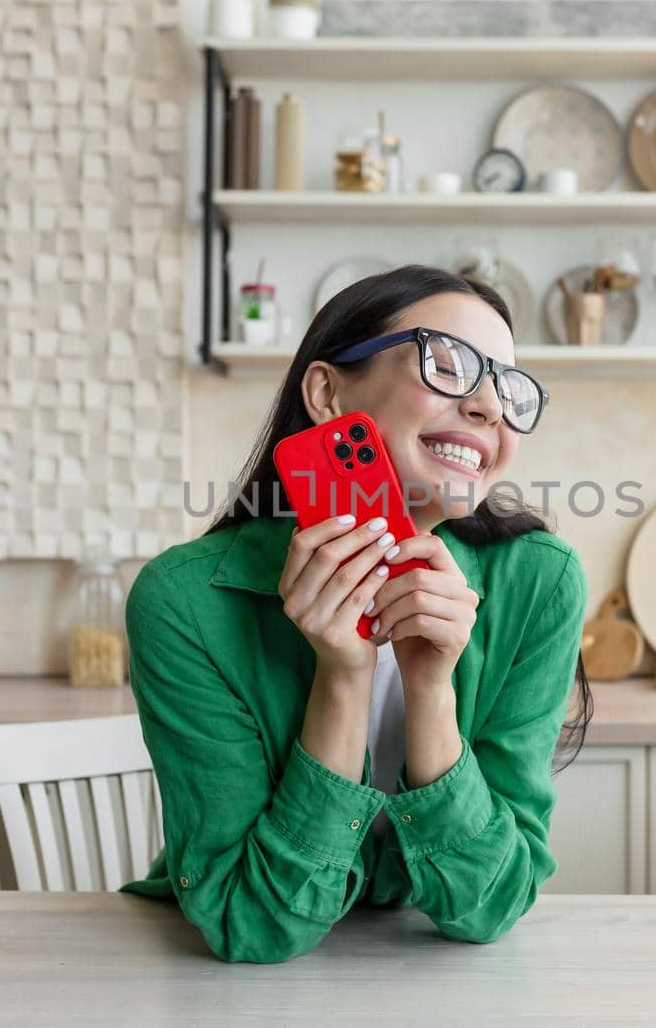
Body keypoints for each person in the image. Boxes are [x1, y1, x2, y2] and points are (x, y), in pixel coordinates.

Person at [122, 264, 592, 963]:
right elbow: (253, 924)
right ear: (327, 391)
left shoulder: (540, 582)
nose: (490, 407)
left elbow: (490, 904)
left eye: (507, 388)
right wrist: (341, 676)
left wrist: (432, 689)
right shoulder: (186, 601)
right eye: (450, 362)